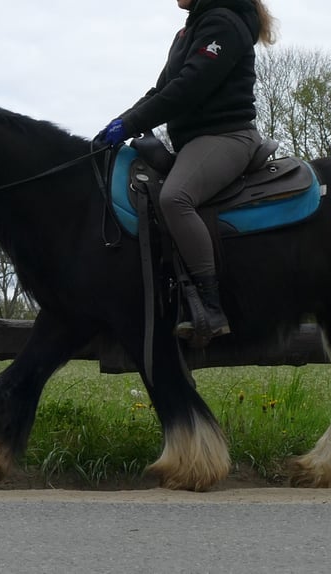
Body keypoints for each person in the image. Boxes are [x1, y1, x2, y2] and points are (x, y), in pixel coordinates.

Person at [96, 0, 277, 341]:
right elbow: (162, 90)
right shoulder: (190, 31)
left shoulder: (224, 23)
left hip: (226, 137)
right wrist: (119, 122)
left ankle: (210, 305)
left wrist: (132, 123)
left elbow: (189, 88)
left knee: (175, 197)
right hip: (194, 142)